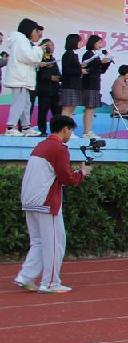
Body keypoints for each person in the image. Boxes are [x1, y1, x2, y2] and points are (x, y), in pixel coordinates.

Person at [13, 114, 91, 293]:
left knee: (38, 242)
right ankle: (50, 283)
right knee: (56, 242)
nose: (71, 134)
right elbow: (67, 178)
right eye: (71, 131)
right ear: (65, 130)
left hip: (30, 200)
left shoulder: (41, 145)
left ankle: (25, 276)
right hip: (46, 202)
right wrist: (82, 174)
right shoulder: (59, 148)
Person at [4, 18, 45, 136]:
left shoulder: (22, 41)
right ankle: (11, 127)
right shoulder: (20, 40)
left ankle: (26, 127)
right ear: (31, 30)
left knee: (26, 103)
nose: (37, 34)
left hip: (23, 78)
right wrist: (38, 49)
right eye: (36, 31)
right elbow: (29, 57)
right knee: (19, 103)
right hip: (19, 78)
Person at [79, 35, 112, 139]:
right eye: (99, 43)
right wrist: (100, 62)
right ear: (93, 43)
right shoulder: (88, 54)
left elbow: (100, 70)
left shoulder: (96, 55)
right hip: (88, 84)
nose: (100, 45)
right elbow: (87, 68)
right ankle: (86, 131)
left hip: (95, 83)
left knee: (92, 108)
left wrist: (107, 62)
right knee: (89, 108)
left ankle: (88, 131)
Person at [34, 38, 60, 137]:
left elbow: (57, 72)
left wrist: (59, 78)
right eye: (49, 45)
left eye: (53, 45)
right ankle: (42, 131)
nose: (52, 47)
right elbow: (38, 75)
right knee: (43, 112)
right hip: (44, 90)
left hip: (55, 90)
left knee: (57, 113)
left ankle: (56, 132)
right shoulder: (39, 58)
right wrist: (50, 77)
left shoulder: (52, 59)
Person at [58, 34, 83, 129]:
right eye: (79, 41)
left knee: (71, 110)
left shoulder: (73, 54)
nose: (81, 43)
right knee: (67, 109)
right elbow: (67, 71)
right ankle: (63, 130)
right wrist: (80, 70)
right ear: (74, 42)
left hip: (75, 85)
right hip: (69, 85)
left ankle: (68, 130)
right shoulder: (68, 54)